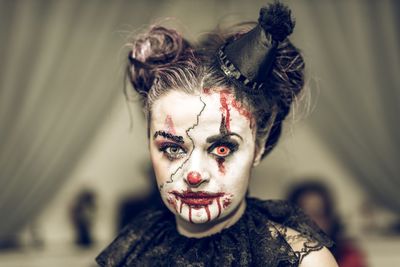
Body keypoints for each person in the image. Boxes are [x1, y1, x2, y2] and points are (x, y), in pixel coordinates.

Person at [96, 2, 337, 266]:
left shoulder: (303, 262)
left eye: (222, 149)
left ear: (258, 146)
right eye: (173, 148)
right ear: (150, 143)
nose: (194, 174)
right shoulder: (128, 254)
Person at [287, 180, 367, 267]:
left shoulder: (348, 257)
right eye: (303, 216)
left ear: (330, 219)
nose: (310, 223)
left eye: (318, 214)